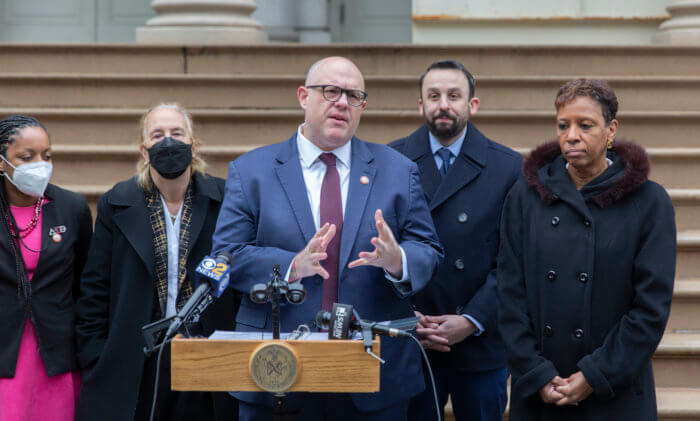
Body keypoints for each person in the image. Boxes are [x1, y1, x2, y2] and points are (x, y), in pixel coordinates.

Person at [212, 56, 443, 421]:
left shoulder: (398, 170)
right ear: (303, 96)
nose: (342, 103)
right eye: (331, 91)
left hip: (372, 371)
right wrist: (290, 265)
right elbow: (225, 256)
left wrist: (398, 261)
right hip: (278, 366)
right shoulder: (251, 171)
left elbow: (428, 249)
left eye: (354, 96)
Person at [497, 79, 676, 420]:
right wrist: (535, 372)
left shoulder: (649, 202)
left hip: (615, 392)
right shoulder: (525, 197)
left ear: (611, 130)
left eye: (585, 125)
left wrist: (595, 375)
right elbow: (509, 294)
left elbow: (651, 308)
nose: (572, 135)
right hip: (541, 391)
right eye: (563, 125)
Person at [74, 103, 238, 421]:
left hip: (206, 354)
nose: (168, 142)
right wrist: (95, 355)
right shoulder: (117, 202)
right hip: (137, 358)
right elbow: (95, 286)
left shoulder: (225, 198)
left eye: (177, 133)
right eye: (157, 135)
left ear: (193, 144)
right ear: (144, 150)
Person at [389, 60, 521, 421]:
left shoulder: (508, 167)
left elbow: (515, 260)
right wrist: (405, 317)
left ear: (472, 105)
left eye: (453, 95)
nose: (443, 104)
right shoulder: (390, 161)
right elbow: (377, 249)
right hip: (412, 337)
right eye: (433, 96)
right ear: (421, 105)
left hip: (481, 342)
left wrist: (472, 320)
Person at [0, 115, 92, 421]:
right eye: (27, 157)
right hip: (5, 352)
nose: (39, 164)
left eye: (46, 156)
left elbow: (84, 283)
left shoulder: (72, 207)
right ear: (2, 162)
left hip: (55, 352)